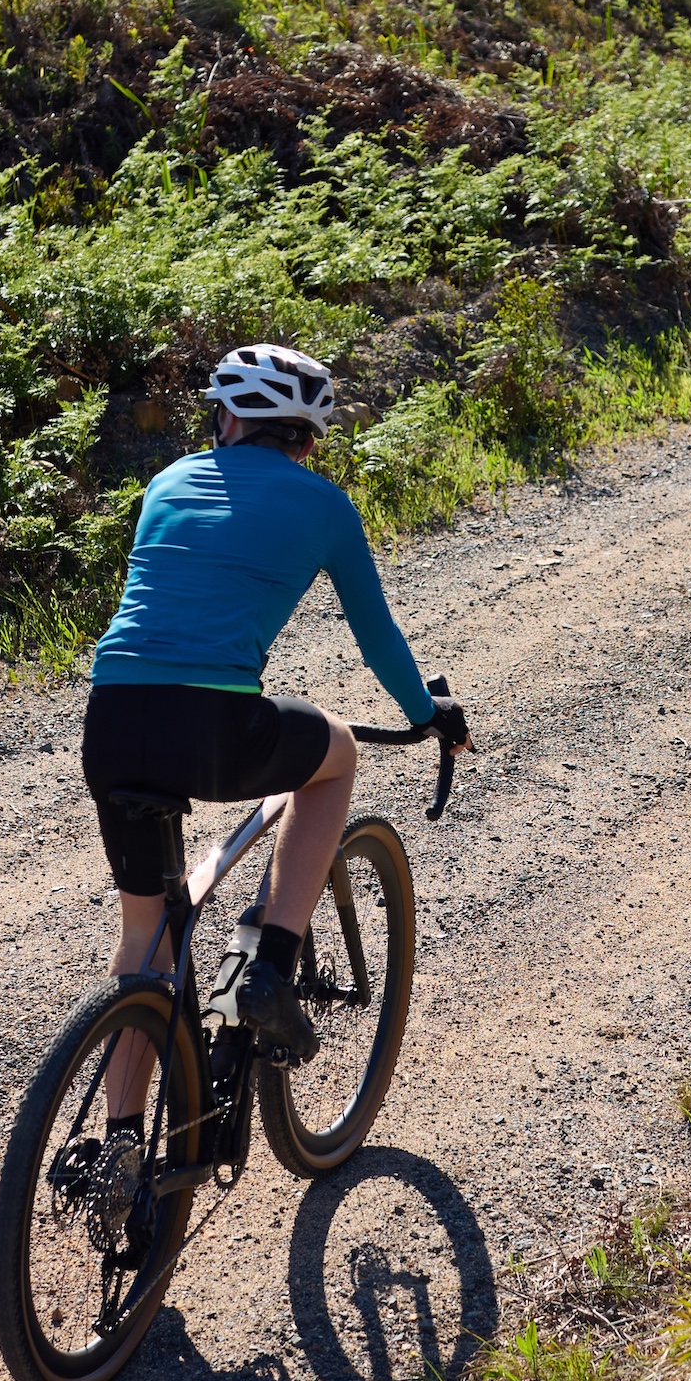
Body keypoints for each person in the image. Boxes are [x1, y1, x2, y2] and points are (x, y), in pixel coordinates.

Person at [83, 343, 466, 1093]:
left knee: (145, 938)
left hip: (114, 716)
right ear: (307, 439)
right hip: (214, 726)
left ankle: (117, 1141)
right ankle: (267, 968)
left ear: (225, 417)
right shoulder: (324, 504)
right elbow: (378, 636)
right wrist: (429, 711)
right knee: (339, 752)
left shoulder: (166, 481)